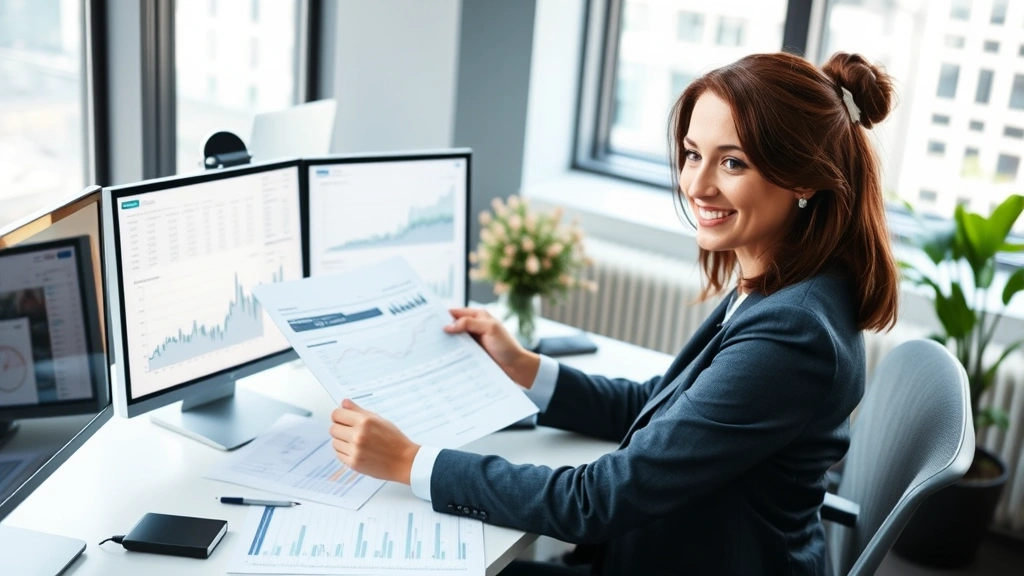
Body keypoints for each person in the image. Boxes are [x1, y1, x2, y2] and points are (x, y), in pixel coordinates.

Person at [327, 51, 900, 575]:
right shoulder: (788, 280)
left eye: (733, 163)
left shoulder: (793, 331)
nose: (696, 184)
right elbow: (667, 410)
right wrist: (526, 369)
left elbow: (595, 502)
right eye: (694, 154)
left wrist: (410, 461)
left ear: (801, 176)